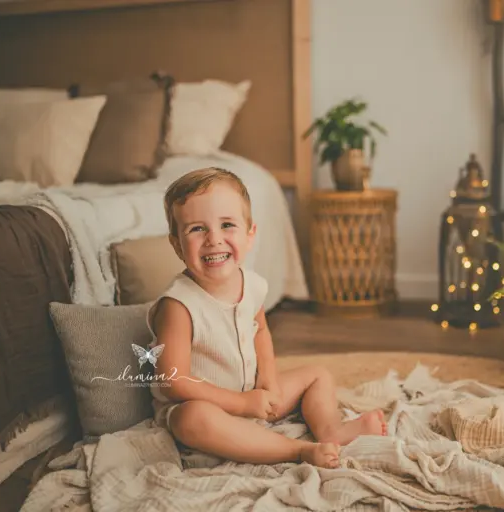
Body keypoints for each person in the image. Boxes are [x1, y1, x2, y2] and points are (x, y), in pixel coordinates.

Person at [147, 167, 387, 469]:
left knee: (318, 374)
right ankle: (296, 450)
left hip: (250, 394)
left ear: (250, 235)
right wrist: (242, 404)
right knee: (192, 419)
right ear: (176, 244)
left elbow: (261, 331)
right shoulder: (178, 305)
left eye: (227, 225)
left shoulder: (253, 285)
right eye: (197, 229)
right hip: (204, 407)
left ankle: (331, 432)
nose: (214, 239)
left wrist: (268, 381)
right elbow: (174, 382)